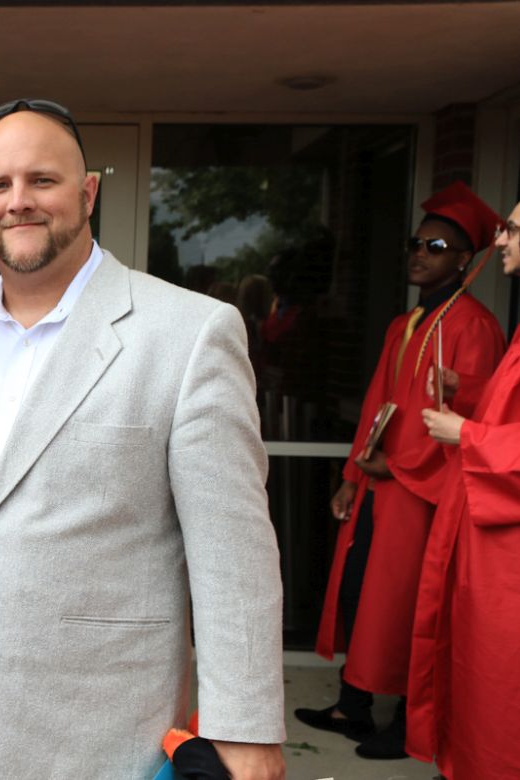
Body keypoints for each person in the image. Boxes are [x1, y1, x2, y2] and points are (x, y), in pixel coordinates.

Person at [0, 99, 286, 780]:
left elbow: (234, 555)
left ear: (88, 193)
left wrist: (245, 729)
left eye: (42, 180)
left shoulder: (189, 332)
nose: (19, 201)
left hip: (95, 736)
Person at [297, 182, 504, 760]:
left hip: (424, 492)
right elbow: (376, 405)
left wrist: (397, 466)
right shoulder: (406, 323)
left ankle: (410, 725)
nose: (419, 253)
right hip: (382, 486)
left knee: (412, 604)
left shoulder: (472, 327)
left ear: (463, 260)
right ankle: (353, 707)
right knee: (363, 592)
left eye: (435, 246)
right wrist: (353, 476)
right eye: (416, 243)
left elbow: (475, 421)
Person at [406, 199, 520, 778]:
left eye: (514, 230)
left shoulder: (474, 321)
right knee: (476, 675)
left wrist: (465, 434)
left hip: (508, 556)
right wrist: (467, 393)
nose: (502, 241)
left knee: (499, 688)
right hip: (489, 546)